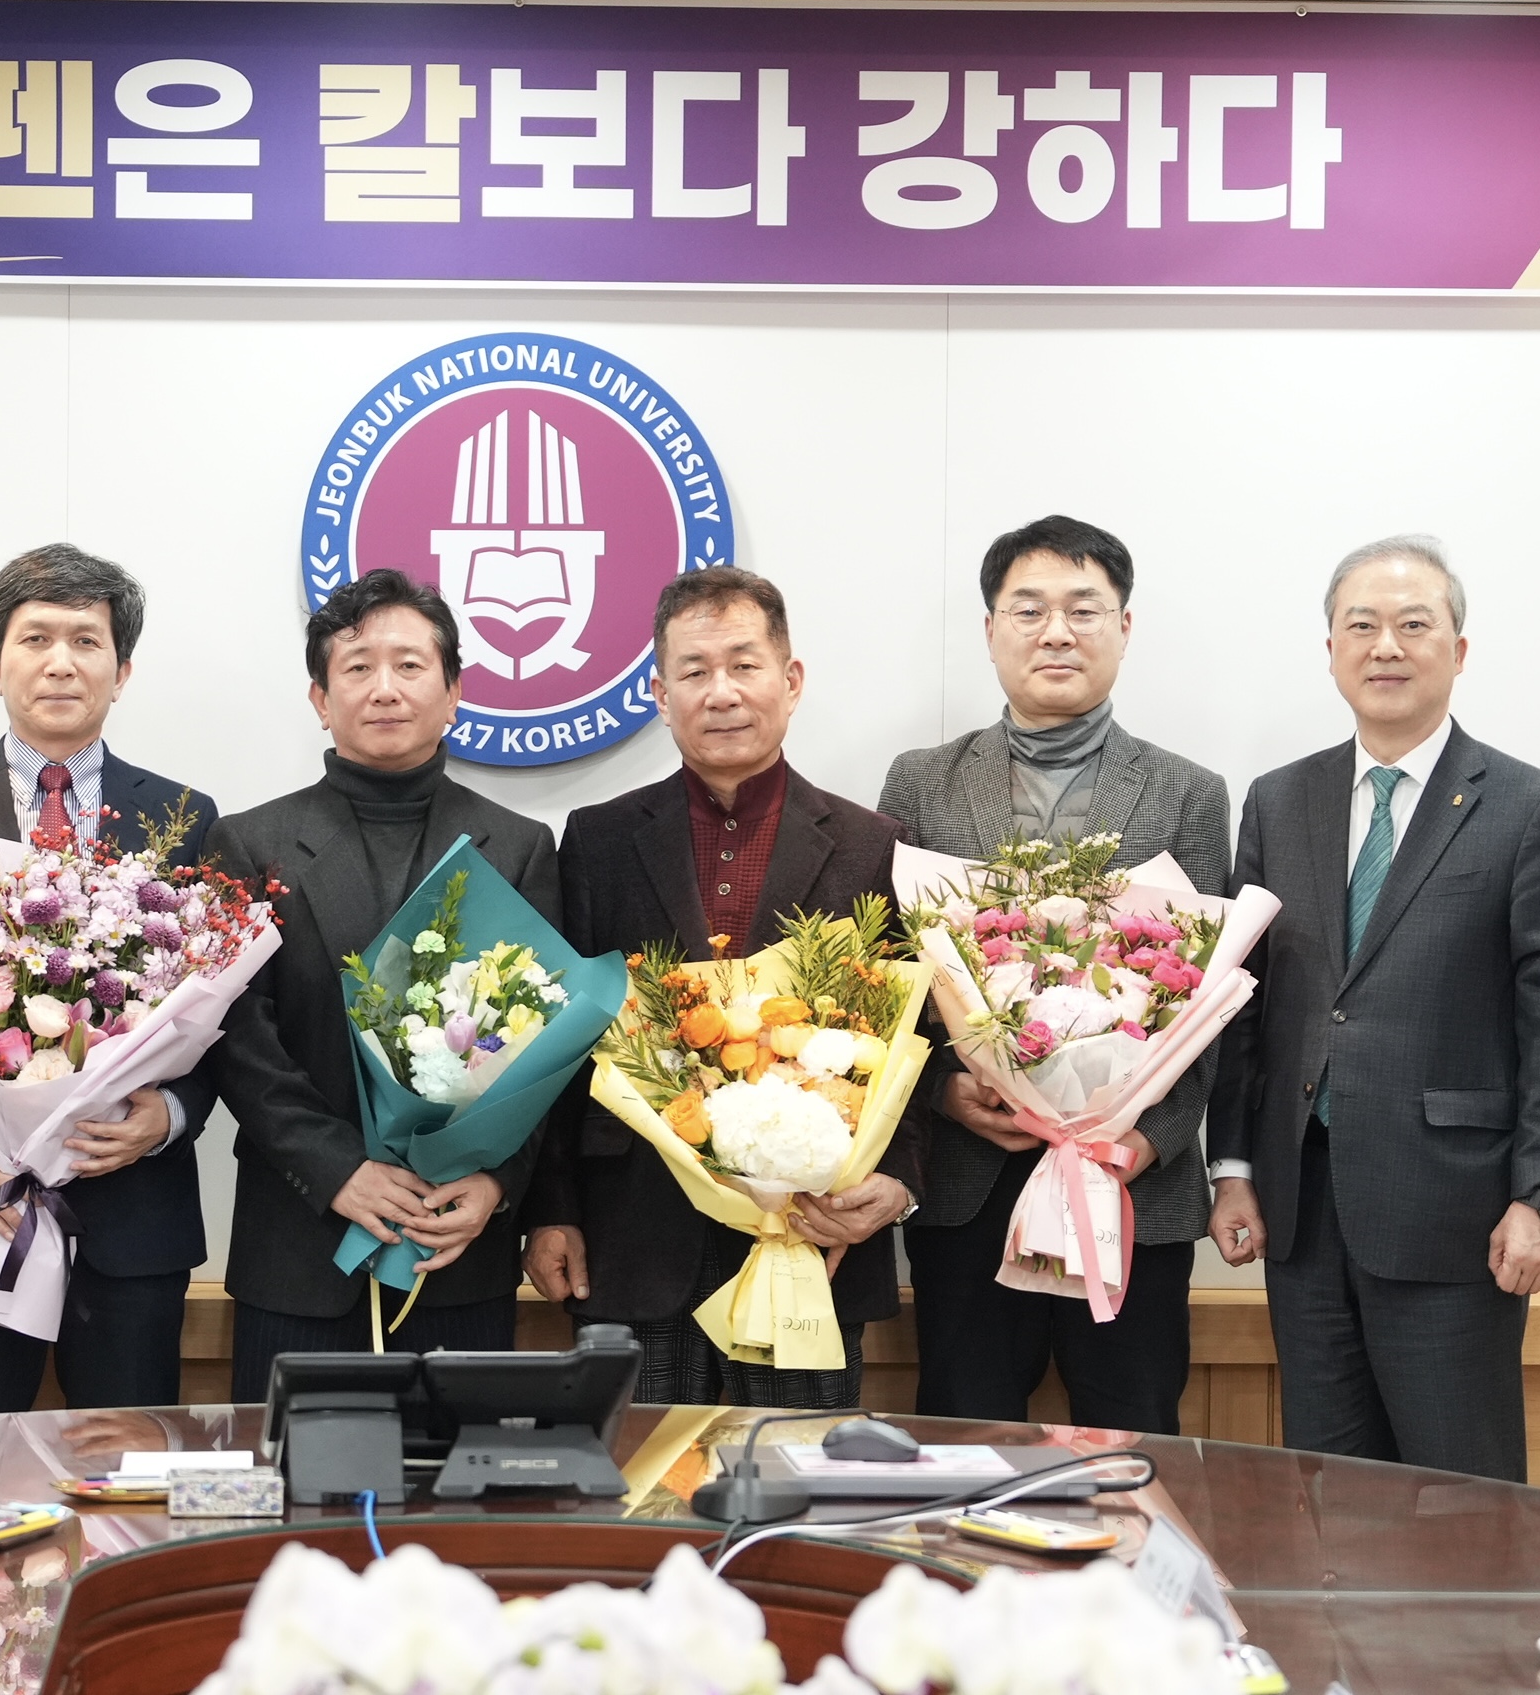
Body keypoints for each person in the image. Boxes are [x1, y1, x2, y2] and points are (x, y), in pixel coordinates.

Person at [1207, 534, 1540, 1482]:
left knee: (1461, 1495)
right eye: (1361, 625)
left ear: (1456, 650)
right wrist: (1232, 1167)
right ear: (1331, 650)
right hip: (1300, 1214)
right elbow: (1240, 1001)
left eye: (1412, 624)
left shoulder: (1530, 808)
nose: (1384, 645)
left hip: (1454, 1216)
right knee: (1326, 1494)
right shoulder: (1278, 800)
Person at [523, 567, 919, 1409]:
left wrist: (898, 1180)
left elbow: (925, 1040)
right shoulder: (596, 841)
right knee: (640, 1472)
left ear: (791, 679)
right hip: (633, 1233)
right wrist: (550, 1207)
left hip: (814, 1229)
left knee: (794, 1473)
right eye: (694, 671)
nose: (722, 692)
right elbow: (557, 1047)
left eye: (743, 664)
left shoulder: (875, 844)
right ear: (659, 694)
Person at [876, 515, 1228, 1433]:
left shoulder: (1189, 792)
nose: (1056, 632)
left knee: (1131, 1441)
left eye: (1083, 609)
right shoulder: (920, 782)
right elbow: (890, 983)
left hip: (1129, 1183)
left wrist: (1151, 1136)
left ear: (1123, 626)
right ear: (991, 629)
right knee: (964, 1436)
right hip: (971, 1181)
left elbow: (1210, 996)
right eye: (1028, 610)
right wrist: (945, 1091)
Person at [0, 544, 219, 1415]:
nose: (61, 662)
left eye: (86, 641)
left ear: (121, 671)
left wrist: (169, 1116)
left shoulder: (185, 818)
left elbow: (219, 1013)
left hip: (131, 1214)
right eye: (35, 639)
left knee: (128, 1466)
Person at [199, 571, 560, 1398]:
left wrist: (497, 1181)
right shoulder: (249, 844)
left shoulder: (518, 847)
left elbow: (548, 1052)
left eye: (409, 664)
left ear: (453, 691)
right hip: (301, 1249)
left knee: (460, 1477)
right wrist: (337, 1169)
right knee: (295, 1474)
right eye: (357, 667)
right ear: (320, 699)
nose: (385, 688)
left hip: (455, 1245)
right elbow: (238, 1042)